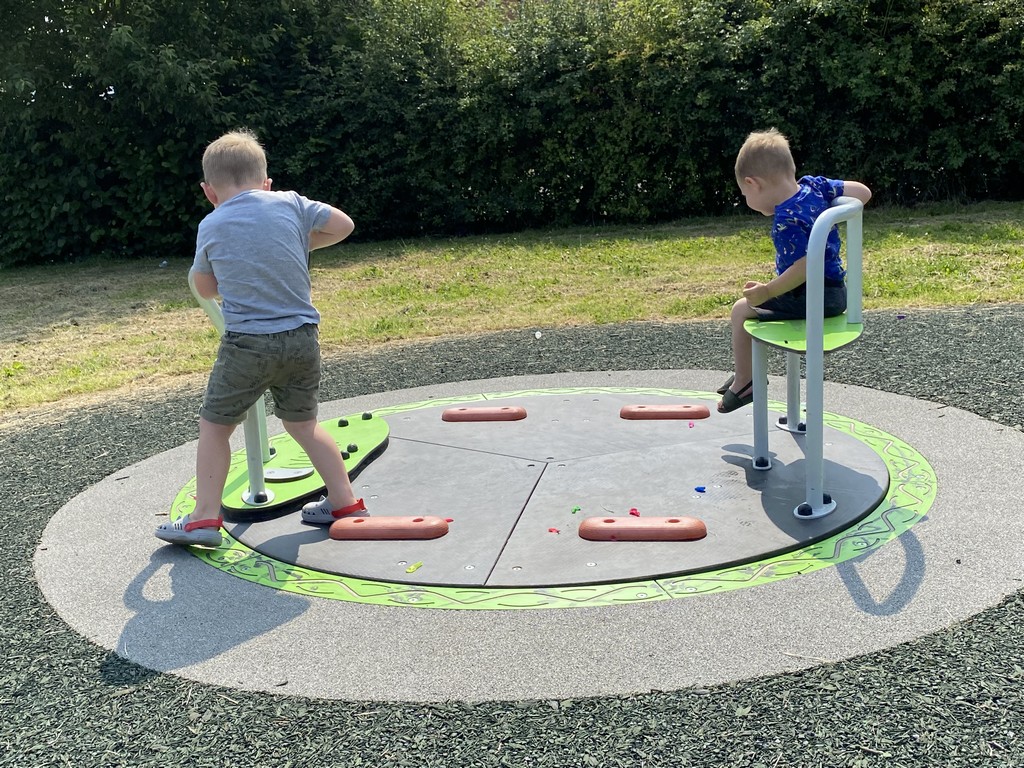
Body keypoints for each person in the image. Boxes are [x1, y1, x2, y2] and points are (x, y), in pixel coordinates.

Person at [155, 129, 365, 546]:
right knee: (303, 424)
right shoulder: (292, 203)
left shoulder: (212, 223)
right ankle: (345, 502)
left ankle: (203, 518)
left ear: (209, 191)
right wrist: (298, 242)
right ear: (266, 183)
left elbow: (205, 287)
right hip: (302, 339)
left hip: (247, 345)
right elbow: (344, 225)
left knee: (215, 427)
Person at [717, 128, 872, 413]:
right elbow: (863, 193)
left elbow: (805, 268)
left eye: (744, 193)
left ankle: (745, 380)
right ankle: (745, 373)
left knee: (740, 310)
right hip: (837, 293)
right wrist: (837, 209)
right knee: (752, 305)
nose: (746, 200)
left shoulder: (786, 220)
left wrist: (767, 291)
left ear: (753, 183)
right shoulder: (816, 186)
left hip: (813, 298)